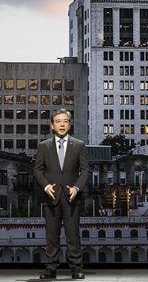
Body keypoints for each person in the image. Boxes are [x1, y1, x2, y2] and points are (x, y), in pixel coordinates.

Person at [34, 108, 89, 280]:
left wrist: (77, 188)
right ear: (52, 126)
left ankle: (76, 269)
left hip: (72, 197)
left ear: (70, 125)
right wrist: (45, 186)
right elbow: (37, 170)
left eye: (65, 121)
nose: (62, 124)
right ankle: (51, 269)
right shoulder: (43, 146)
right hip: (51, 197)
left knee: (73, 235)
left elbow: (86, 171)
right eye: (58, 121)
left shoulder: (79, 145)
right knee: (52, 235)